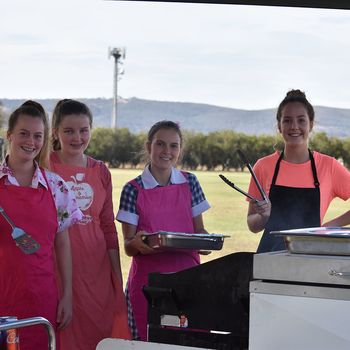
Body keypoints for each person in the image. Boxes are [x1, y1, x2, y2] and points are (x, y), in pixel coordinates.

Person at [116, 120, 210, 341]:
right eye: (160, 144)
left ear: (180, 149)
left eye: (173, 146)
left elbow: (200, 231)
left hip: (188, 281)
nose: (167, 151)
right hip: (148, 286)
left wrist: (207, 242)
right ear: (149, 146)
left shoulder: (191, 182)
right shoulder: (132, 189)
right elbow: (129, 246)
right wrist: (138, 243)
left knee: (184, 342)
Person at [0, 101, 82, 350]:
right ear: (10, 135)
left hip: (42, 298)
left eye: (38, 136)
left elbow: (62, 243)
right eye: (24, 134)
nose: (31, 141)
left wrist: (66, 296)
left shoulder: (56, 186)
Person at [49, 99, 130, 350]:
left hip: (97, 273)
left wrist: (116, 280)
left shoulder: (101, 171)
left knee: (99, 339)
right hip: (57, 271)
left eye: (84, 130)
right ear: (55, 132)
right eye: (69, 131)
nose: (77, 137)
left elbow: (108, 227)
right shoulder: (44, 167)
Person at [246, 89, 350, 253]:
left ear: (311, 125)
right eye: (287, 120)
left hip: (311, 256)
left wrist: (328, 227)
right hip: (268, 259)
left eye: (301, 120)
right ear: (279, 126)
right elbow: (252, 225)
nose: (294, 126)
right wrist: (263, 217)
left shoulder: (329, 166)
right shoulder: (263, 166)